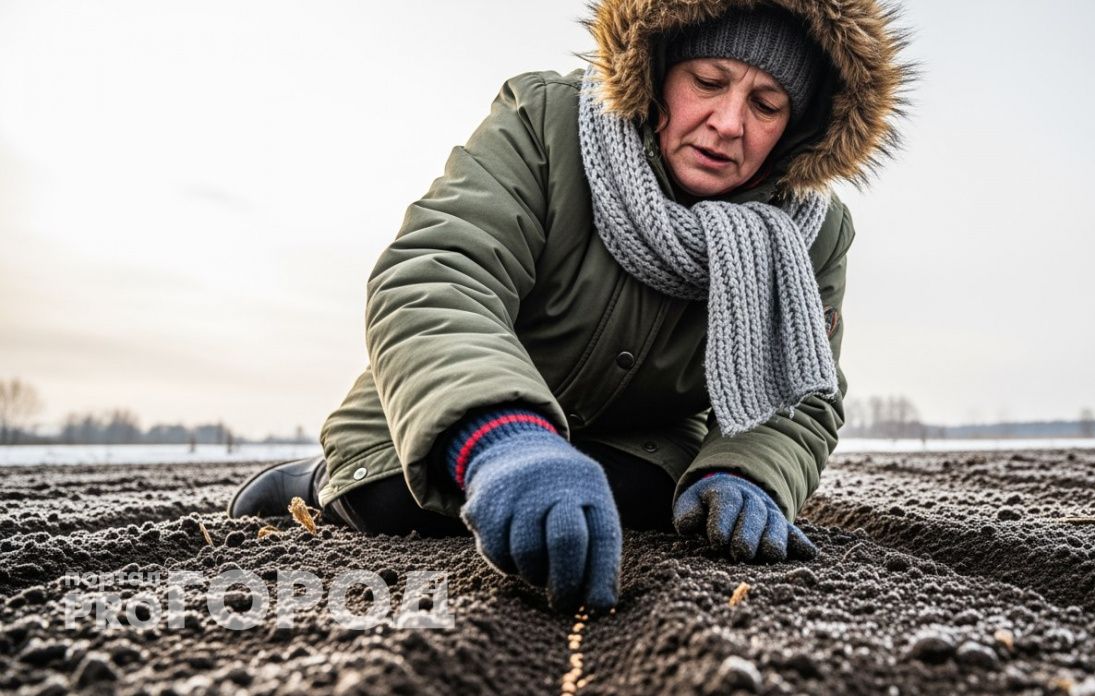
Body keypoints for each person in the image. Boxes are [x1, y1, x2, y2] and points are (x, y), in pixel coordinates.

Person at [228, 0, 910, 614]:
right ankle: (316, 480)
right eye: (708, 81)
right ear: (658, 71)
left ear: (796, 127)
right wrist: (503, 437)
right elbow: (438, 276)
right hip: (460, 418)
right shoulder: (544, 121)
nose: (728, 123)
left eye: (766, 105)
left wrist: (746, 472)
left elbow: (801, 393)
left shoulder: (812, 232)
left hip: (634, 455)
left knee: (645, 511)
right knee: (387, 499)